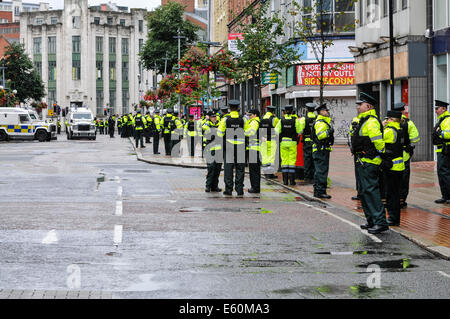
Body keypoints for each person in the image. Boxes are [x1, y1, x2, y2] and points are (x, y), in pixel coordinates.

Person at [350, 92, 388, 234]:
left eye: (361, 104)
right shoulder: (362, 120)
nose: (358, 107)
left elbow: (378, 143)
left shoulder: (371, 121)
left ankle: (380, 222)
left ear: (369, 106)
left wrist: (380, 155)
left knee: (371, 192)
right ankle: (371, 220)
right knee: (365, 192)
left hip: (369, 162)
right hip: (362, 161)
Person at [392, 102, 420, 208]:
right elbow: (416, 138)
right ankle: (402, 200)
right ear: (403, 111)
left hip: (391, 156)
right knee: (404, 179)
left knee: (391, 178)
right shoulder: (408, 123)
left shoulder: (387, 121)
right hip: (404, 156)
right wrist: (410, 146)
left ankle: (390, 199)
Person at [380, 110, 405, 226]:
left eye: (388, 118)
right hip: (399, 166)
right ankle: (395, 218)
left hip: (391, 167)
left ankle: (393, 218)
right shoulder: (400, 129)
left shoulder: (389, 131)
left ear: (391, 119)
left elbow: (379, 142)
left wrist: (381, 126)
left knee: (391, 194)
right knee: (395, 193)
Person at [217, 99, 247, 196]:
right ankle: (239, 190)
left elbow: (219, 133)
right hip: (241, 147)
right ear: (238, 108)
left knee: (228, 168)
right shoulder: (243, 119)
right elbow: (249, 132)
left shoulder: (225, 119)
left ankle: (228, 190)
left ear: (229, 108)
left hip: (229, 146)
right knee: (240, 168)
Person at [275, 105, 301, 186]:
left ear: (285, 111)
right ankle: (292, 181)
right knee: (292, 161)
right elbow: (299, 131)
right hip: (292, 143)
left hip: (283, 143)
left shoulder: (281, 120)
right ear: (292, 111)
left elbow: (276, 131)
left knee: (284, 161)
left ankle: (285, 181)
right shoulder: (295, 121)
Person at [311, 103, 334, 199]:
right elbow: (320, 136)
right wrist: (329, 132)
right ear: (321, 112)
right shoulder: (321, 123)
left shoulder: (322, 122)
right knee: (321, 171)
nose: (327, 112)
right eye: (326, 110)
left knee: (319, 171)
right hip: (321, 150)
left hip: (321, 150)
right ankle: (320, 191)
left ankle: (318, 190)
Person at [432, 99, 450, 204]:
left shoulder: (447, 120)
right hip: (441, 150)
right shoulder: (442, 119)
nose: (436, 111)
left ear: (443, 109)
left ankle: (448, 196)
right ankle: (445, 196)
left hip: (446, 150)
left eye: (437, 108)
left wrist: (440, 133)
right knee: (442, 173)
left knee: (445, 173)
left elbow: (448, 134)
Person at [203, 111, 222, 192]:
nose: (214, 118)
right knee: (211, 168)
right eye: (212, 117)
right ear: (209, 118)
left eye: (215, 116)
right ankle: (208, 186)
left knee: (217, 169)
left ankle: (215, 187)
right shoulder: (207, 124)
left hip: (219, 149)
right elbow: (205, 128)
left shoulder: (220, 124)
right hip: (210, 150)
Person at [298, 103, 317, 184]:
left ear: (307, 109)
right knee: (314, 159)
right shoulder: (317, 118)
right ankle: (314, 177)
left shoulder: (303, 119)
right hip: (315, 142)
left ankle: (307, 177)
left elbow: (299, 130)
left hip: (306, 142)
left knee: (307, 160)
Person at [260, 105, 279, 179]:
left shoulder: (262, 118)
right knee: (271, 157)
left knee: (265, 157)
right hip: (272, 140)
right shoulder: (274, 119)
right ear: (273, 111)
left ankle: (266, 173)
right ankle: (270, 174)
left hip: (264, 140)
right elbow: (277, 128)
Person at [246, 109, 261, 193]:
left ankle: (255, 188)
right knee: (256, 170)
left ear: (255, 115)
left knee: (253, 170)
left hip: (253, 149)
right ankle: (256, 187)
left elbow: (250, 133)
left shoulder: (254, 122)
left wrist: (243, 131)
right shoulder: (258, 122)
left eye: (250, 115)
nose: (249, 116)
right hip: (257, 149)